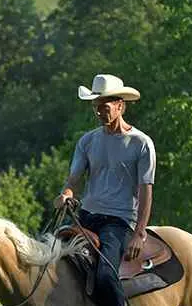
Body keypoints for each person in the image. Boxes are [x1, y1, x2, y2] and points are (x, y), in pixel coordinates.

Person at [54, 74, 156, 306]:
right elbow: (73, 181)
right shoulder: (87, 141)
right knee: (49, 259)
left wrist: (139, 233)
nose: (99, 111)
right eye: (95, 106)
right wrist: (66, 195)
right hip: (86, 217)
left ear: (120, 106)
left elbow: (145, 191)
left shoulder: (141, 143)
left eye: (104, 106)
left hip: (118, 223)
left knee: (105, 276)